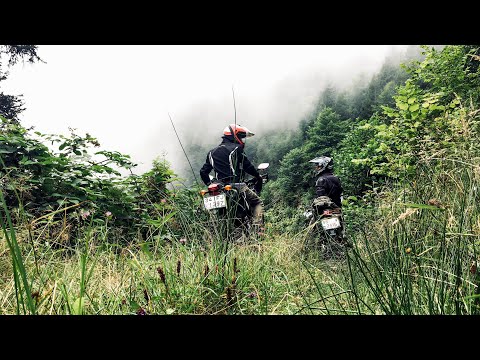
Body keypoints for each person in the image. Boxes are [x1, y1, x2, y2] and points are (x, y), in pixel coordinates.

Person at [200, 123, 265, 230]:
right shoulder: (236, 148)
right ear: (234, 136)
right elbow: (247, 166)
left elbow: (203, 172)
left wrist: (209, 184)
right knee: (257, 202)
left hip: (219, 188)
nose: (242, 140)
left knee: (216, 215)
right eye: (240, 137)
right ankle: (259, 229)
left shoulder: (211, 153)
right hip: (236, 186)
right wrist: (257, 176)